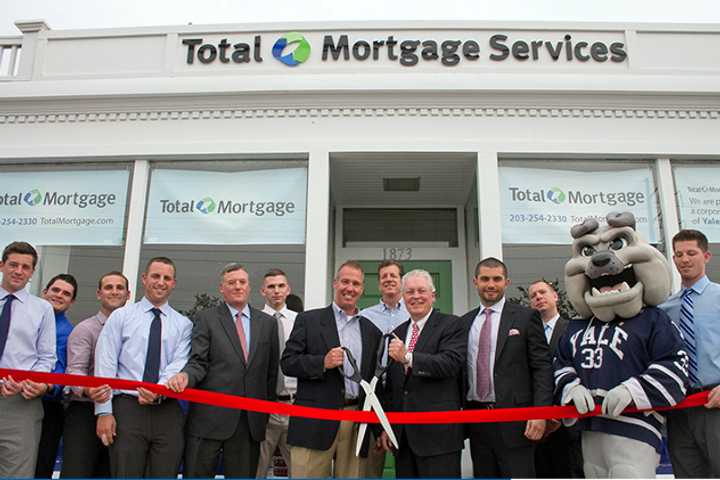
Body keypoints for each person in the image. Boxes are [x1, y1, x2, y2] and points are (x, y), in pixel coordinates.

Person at [167, 263, 279, 478]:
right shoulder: (206, 319)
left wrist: (264, 413)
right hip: (208, 419)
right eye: (231, 282)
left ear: (249, 287)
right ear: (222, 288)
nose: (237, 286)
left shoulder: (267, 324)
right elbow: (198, 361)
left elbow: (271, 372)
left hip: (249, 423)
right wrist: (185, 376)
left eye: (242, 282)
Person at [281, 261, 382, 478]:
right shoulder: (309, 320)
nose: (350, 288)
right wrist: (321, 363)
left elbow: (374, 385)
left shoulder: (371, 331)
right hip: (314, 420)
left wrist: (378, 428)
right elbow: (288, 362)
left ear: (362, 289)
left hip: (356, 420)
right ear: (335, 284)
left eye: (356, 284)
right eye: (345, 281)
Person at [94, 257, 192, 478]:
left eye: (167, 278)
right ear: (144, 279)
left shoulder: (183, 324)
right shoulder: (121, 316)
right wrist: (104, 411)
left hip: (167, 409)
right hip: (127, 408)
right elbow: (105, 364)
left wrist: (157, 389)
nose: (161, 282)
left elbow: (179, 363)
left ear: (174, 283)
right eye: (156, 276)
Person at [461, 257, 553, 478]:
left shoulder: (526, 317)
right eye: (485, 279)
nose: (490, 284)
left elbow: (542, 367)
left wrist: (541, 413)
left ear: (506, 282)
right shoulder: (465, 322)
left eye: (496, 279)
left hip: (517, 422)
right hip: (477, 420)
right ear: (475, 281)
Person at [378, 269, 466, 478]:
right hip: (403, 437)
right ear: (403, 296)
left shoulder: (452, 324)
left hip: (439, 438)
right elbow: (393, 385)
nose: (415, 296)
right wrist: (388, 426)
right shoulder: (398, 332)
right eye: (409, 292)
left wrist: (408, 357)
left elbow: (450, 364)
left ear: (433, 295)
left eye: (421, 291)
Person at [660, 229, 720, 477]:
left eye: (691, 253)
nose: (684, 259)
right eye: (679, 254)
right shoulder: (665, 309)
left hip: (716, 403)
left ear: (706, 256)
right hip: (680, 409)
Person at [60, 271, 130, 478]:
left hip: (121, 412)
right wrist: (90, 390)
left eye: (120, 288)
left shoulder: (136, 329)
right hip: (85, 412)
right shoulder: (85, 329)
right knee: (77, 471)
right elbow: (75, 371)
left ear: (128, 294)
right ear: (99, 294)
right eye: (109, 287)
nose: (114, 292)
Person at [0, 241, 56, 478]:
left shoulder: (42, 309)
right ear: (2, 265)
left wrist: (29, 382)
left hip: (19, 402)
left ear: (32, 272)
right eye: (13, 264)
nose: (18, 271)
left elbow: (46, 358)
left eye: (25, 267)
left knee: (17, 474)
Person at [528, 279, 583, 479]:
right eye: (533, 296)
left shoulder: (573, 330)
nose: (538, 297)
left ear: (555, 296)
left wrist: (561, 415)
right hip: (537, 422)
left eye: (542, 292)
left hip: (568, 421)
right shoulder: (527, 333)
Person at [360, 259, 409, 477]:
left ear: (402, 281)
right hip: (373, 395)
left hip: (404, 394)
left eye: (393, 276)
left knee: (408, 464)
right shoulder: (364, 316)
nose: (388, 280)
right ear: (379, 284)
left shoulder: (414, 313)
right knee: (371, 465)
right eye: (384, 277)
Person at [35, 273, 77, 478]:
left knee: (40, 466)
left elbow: (63, 370)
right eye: (55, 290)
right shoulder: (24, 320)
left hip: (47, 406)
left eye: (66, 293)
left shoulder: (70, 333)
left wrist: (48, 386)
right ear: (45, 292)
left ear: (72, 301)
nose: (59, 295)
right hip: (10, 396)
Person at [256, 268, 297, 478]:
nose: (276, 291)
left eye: (281, 286)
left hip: (295, 406)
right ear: (263, 291)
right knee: (257, 469)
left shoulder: (301, 321)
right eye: (271, 287)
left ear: (288, 289)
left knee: (300, 471)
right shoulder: (253, 322)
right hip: (264, 407)